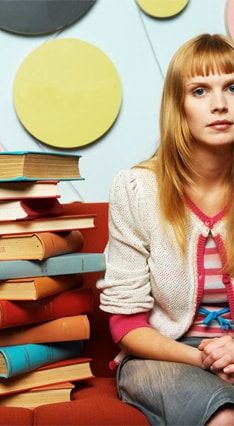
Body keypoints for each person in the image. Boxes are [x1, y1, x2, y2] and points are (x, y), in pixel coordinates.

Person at [98, 33, 234, 425]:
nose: (220, 104)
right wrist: (204, 358)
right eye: (200, 91)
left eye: (231, 87)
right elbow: (126, 323)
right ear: (179, 106)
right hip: (163, 356)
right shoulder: (137, 189)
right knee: (223, 415)